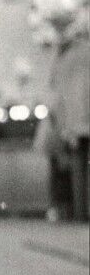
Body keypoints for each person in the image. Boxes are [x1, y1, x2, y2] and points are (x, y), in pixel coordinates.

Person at [47, 15, 90, 223]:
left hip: (73, 123)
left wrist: (63, 124)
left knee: (78, 168)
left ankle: (80, 213)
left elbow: (56, 94)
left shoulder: (64, 60)